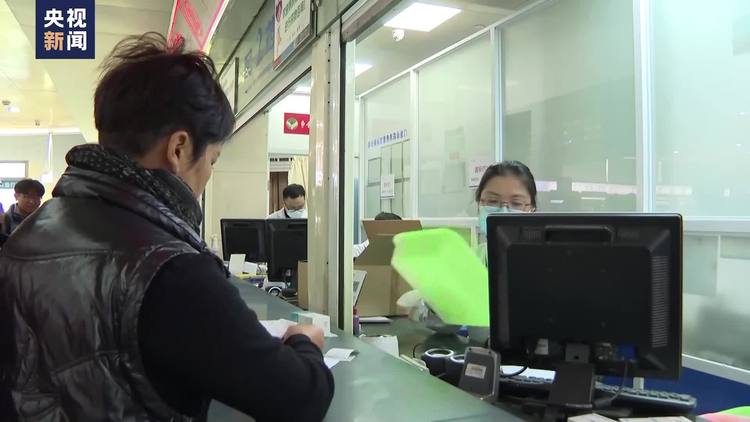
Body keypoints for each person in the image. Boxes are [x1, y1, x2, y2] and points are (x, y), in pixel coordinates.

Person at [0, 33, 333, 422]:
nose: (208, 174)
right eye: (213, 160)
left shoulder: (31, 232)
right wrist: (304, 343)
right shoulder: (170, 269)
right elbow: (299, 399)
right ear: (178, 149)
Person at [475, 160, 537, 265]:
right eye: (492, 201)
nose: (503, 212)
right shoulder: (465, 262)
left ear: (532, 210)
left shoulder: (545, 263)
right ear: (479, 204)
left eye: (516, 203)